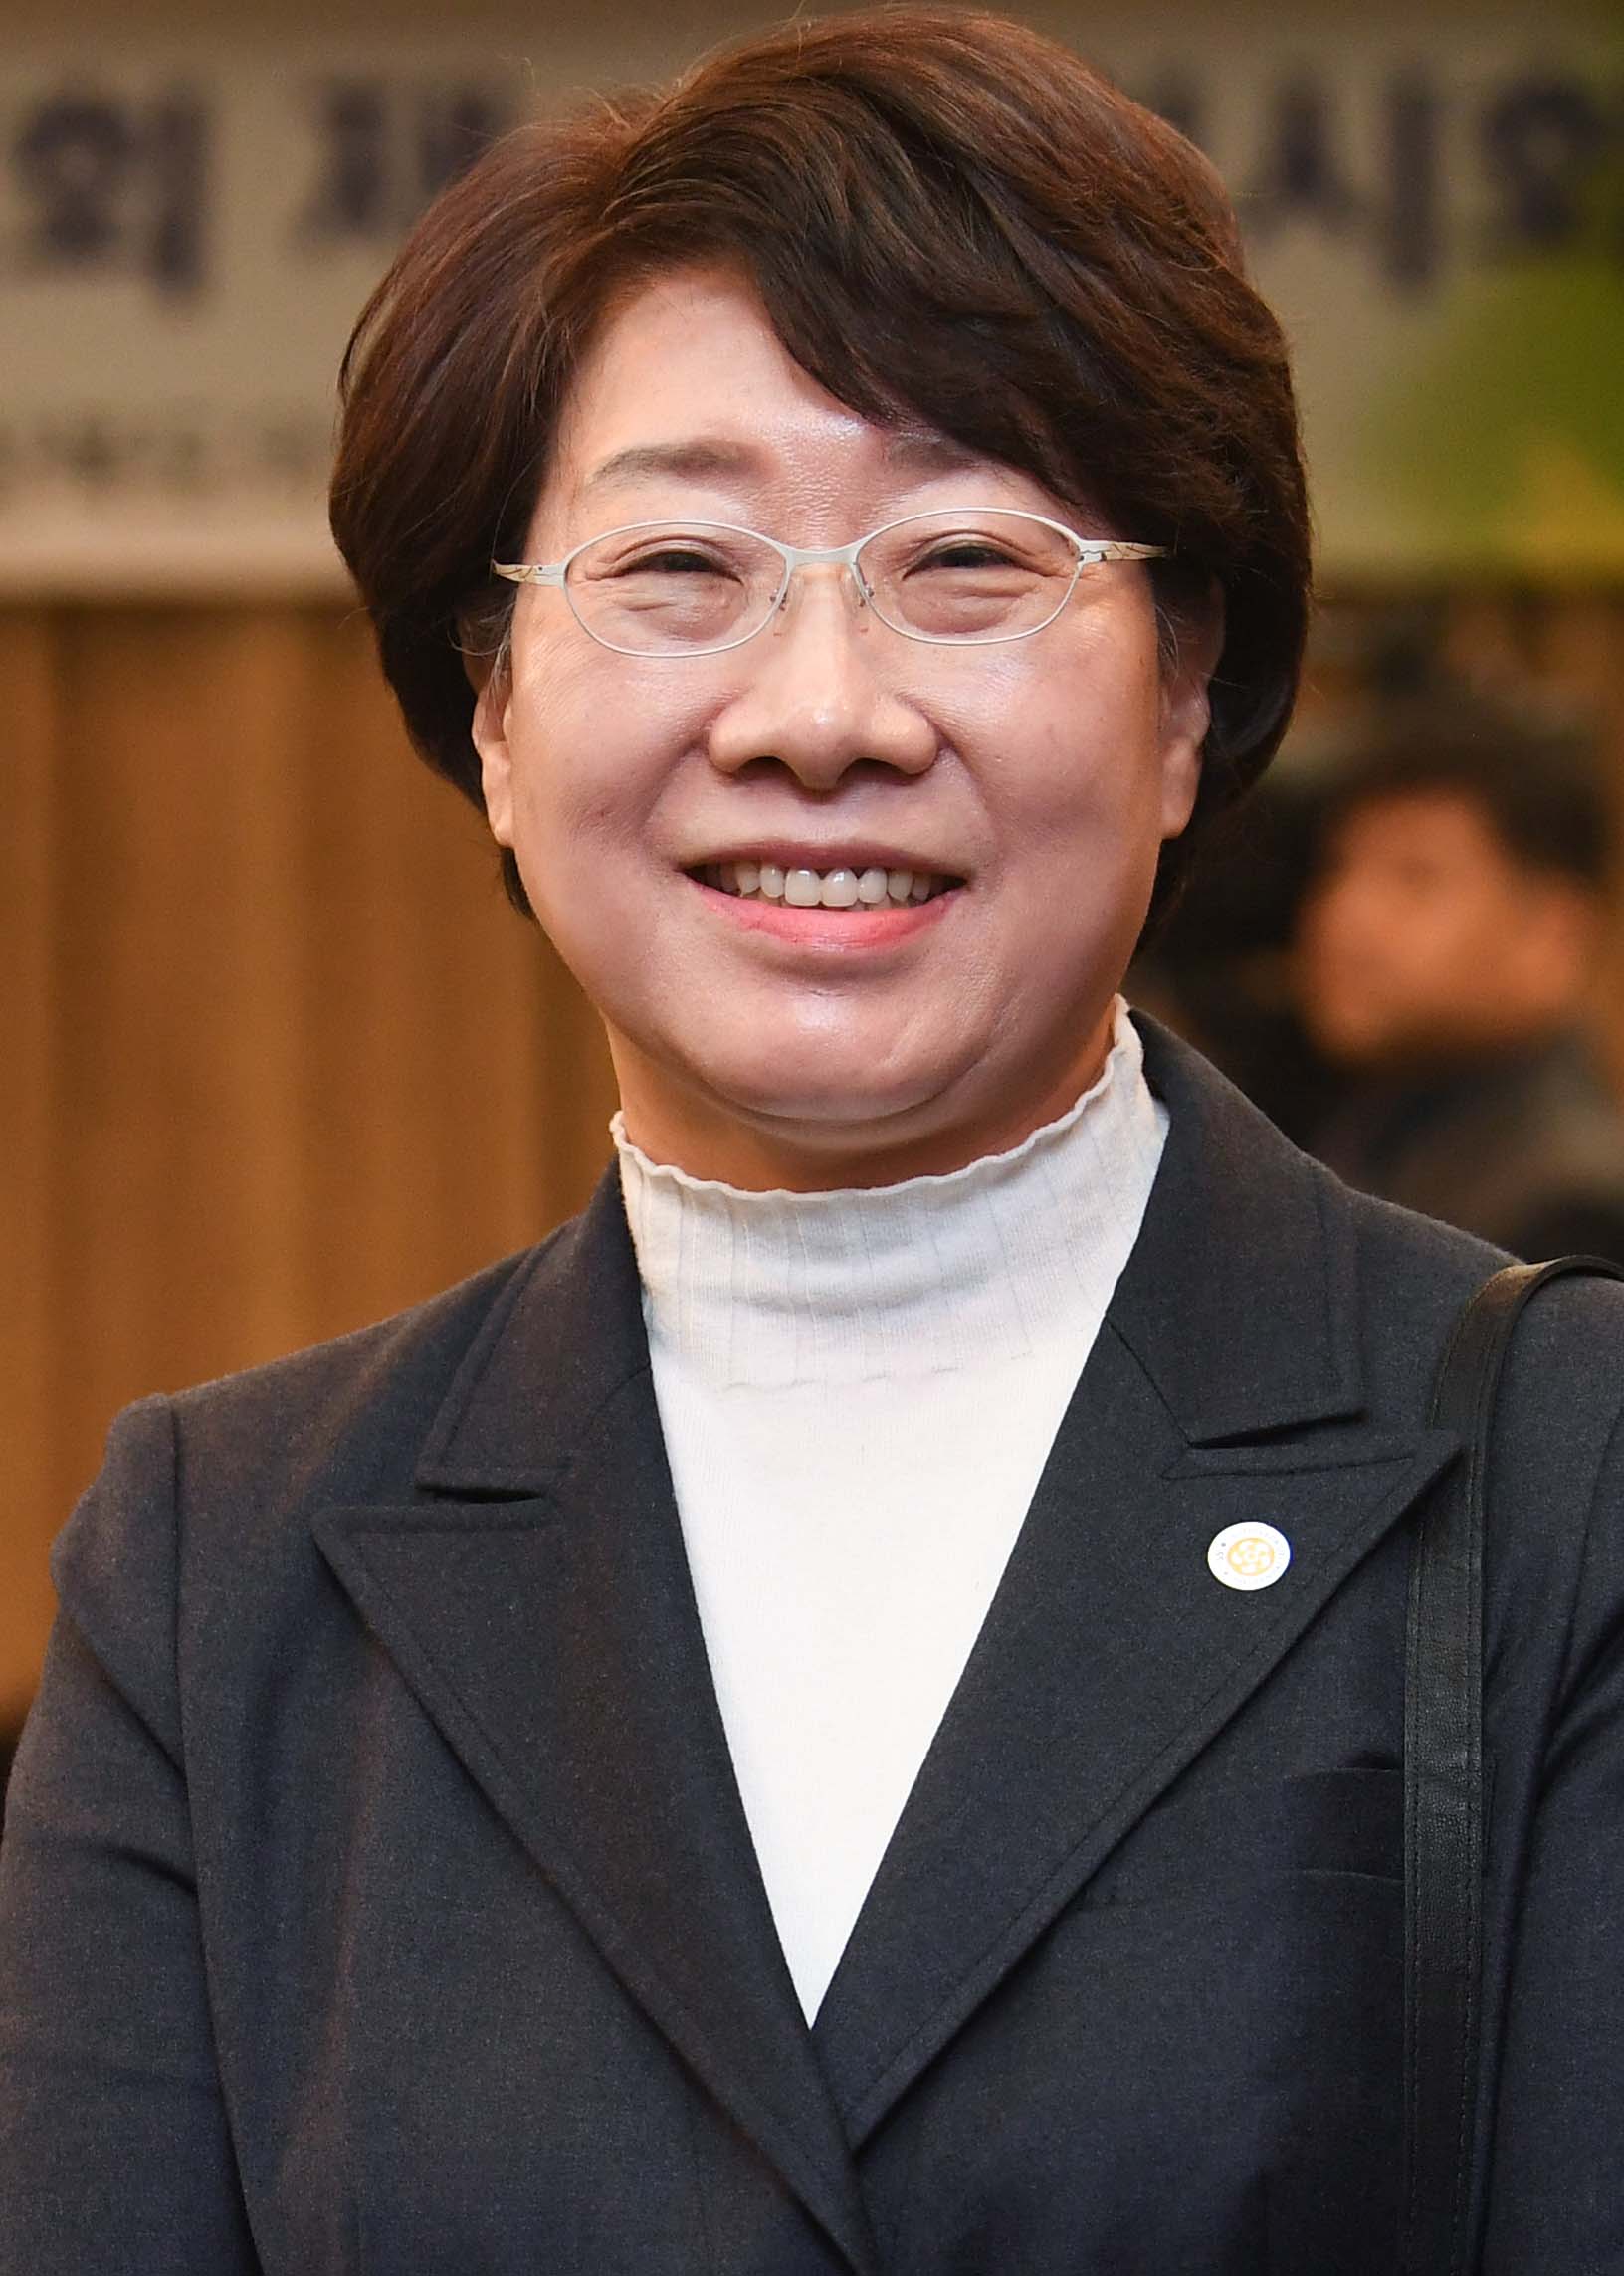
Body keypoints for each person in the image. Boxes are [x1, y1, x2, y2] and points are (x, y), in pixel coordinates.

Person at [3, 14, 1622, 2272]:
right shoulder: (222, 1570)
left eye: (963, 559)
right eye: (680, 563)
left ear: (1180, 692)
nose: (822, 714)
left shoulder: (1562, 1472)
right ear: (492, 708)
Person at [1298, 697, 1624, 1263]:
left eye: (1416, 877)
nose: (1344, 914)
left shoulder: (1571, 1208)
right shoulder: (1379, 1127)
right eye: (1339, 868)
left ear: (1551, 936)